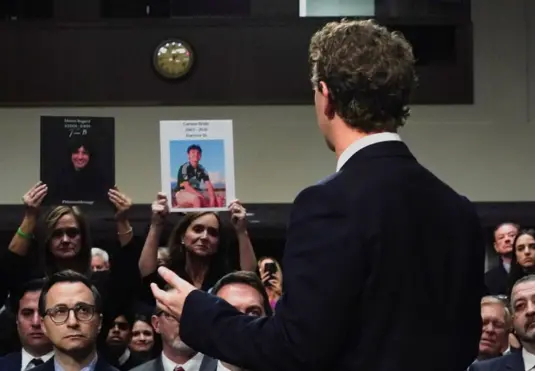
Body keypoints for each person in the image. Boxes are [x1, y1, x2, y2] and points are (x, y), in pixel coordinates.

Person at [150, 19, 485, 371]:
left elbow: (295, 349)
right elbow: (464, 344)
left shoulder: (329, 204)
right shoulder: (458, 210)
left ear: (326, 97)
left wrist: (200, 312)